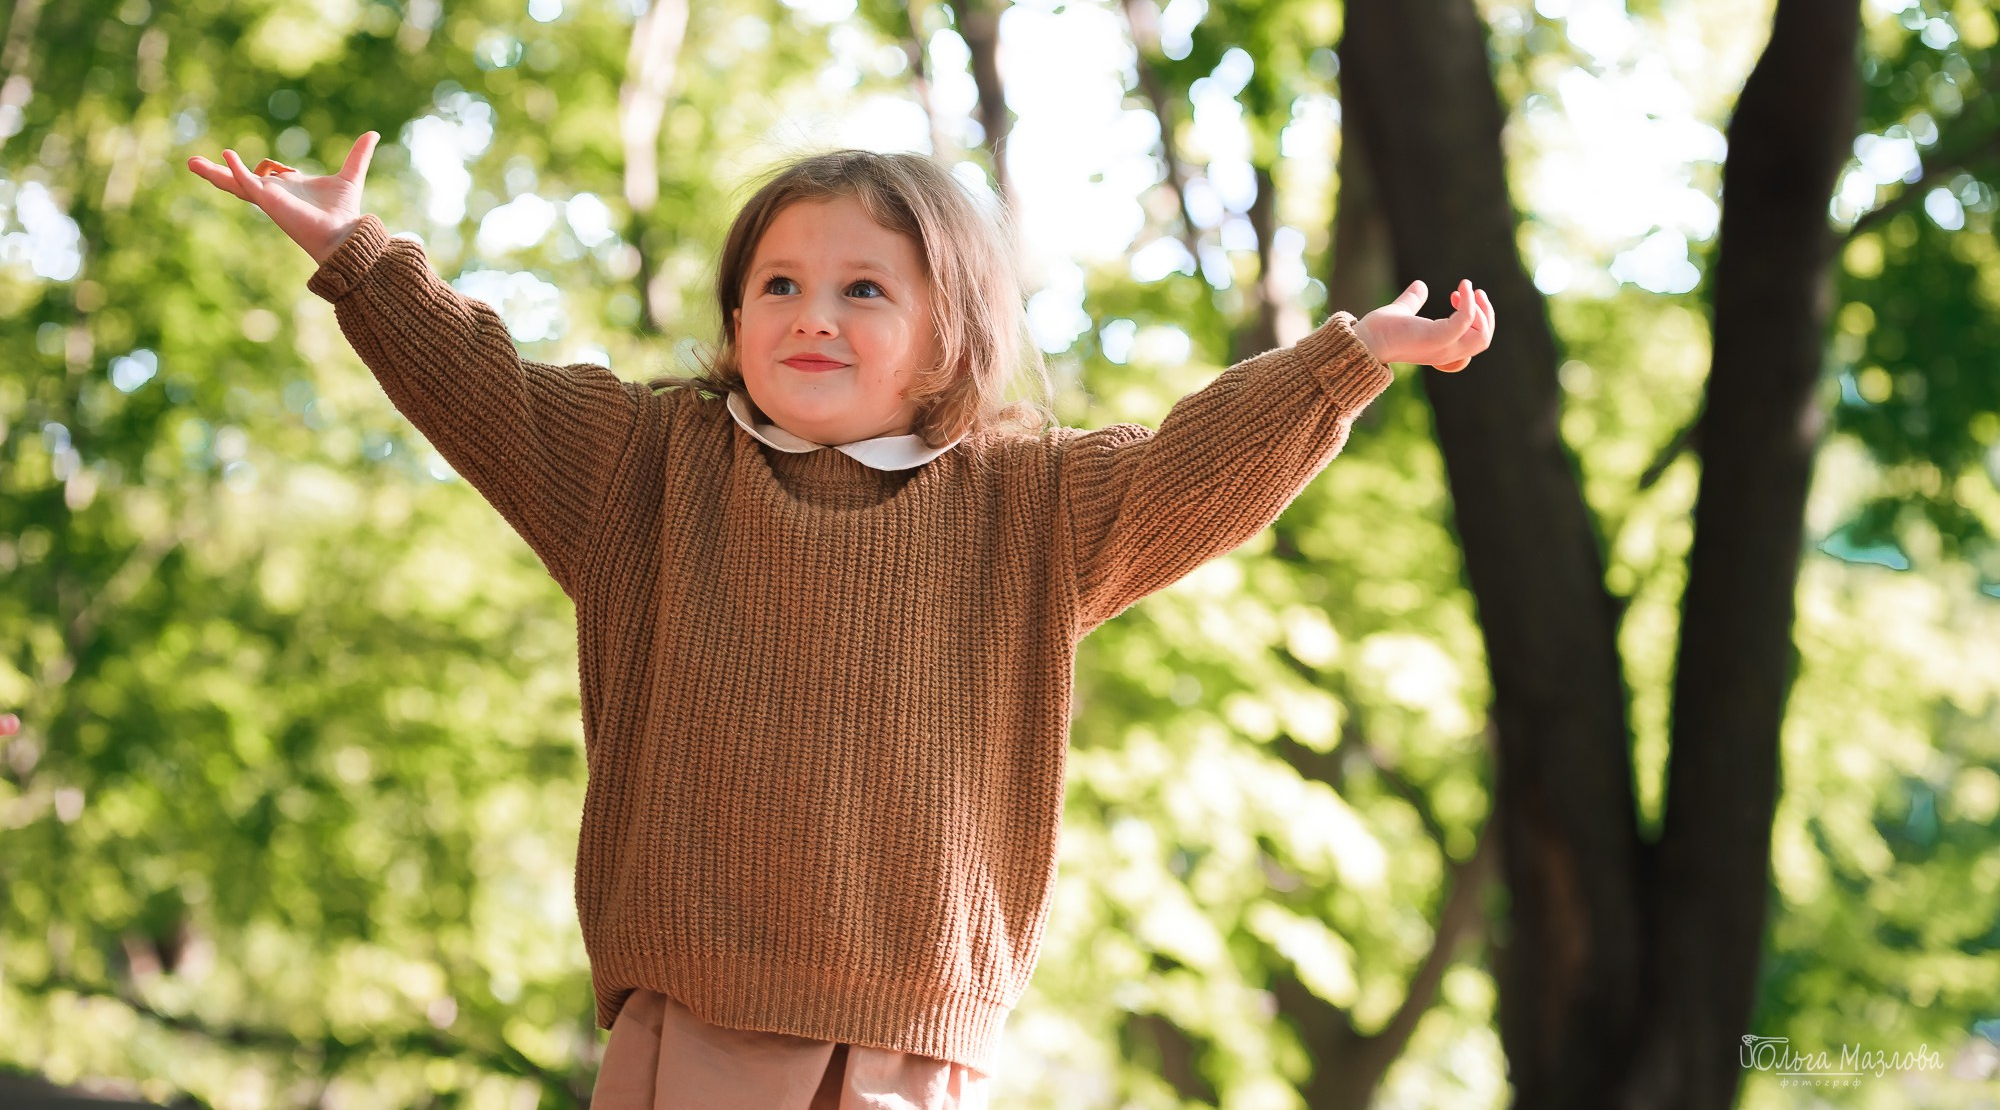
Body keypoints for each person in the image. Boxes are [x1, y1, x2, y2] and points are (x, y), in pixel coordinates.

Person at [186, 132, 1494, 1108]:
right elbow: (478, 378)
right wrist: (357, 253)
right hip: (690, 1015)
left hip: (907, 1042)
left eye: (866, 288)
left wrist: (1352, 356)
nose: (814, 311)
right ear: (735, 315)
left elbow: (1195, 460)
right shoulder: (644, 466)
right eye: (779, 284)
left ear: (949, 331)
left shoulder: (1032, 504)